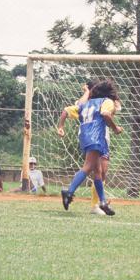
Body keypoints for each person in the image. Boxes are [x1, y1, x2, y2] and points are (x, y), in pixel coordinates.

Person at [60, 80, 123, 216]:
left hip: (85, 136)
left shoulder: (87, 103)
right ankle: (69, 192)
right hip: (96, 136)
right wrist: (115, 128)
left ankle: (102, 202)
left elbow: (66, 110)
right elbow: (106, 114)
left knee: (98, 171)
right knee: (88, 167)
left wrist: (60, 127)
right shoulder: (106, 101)